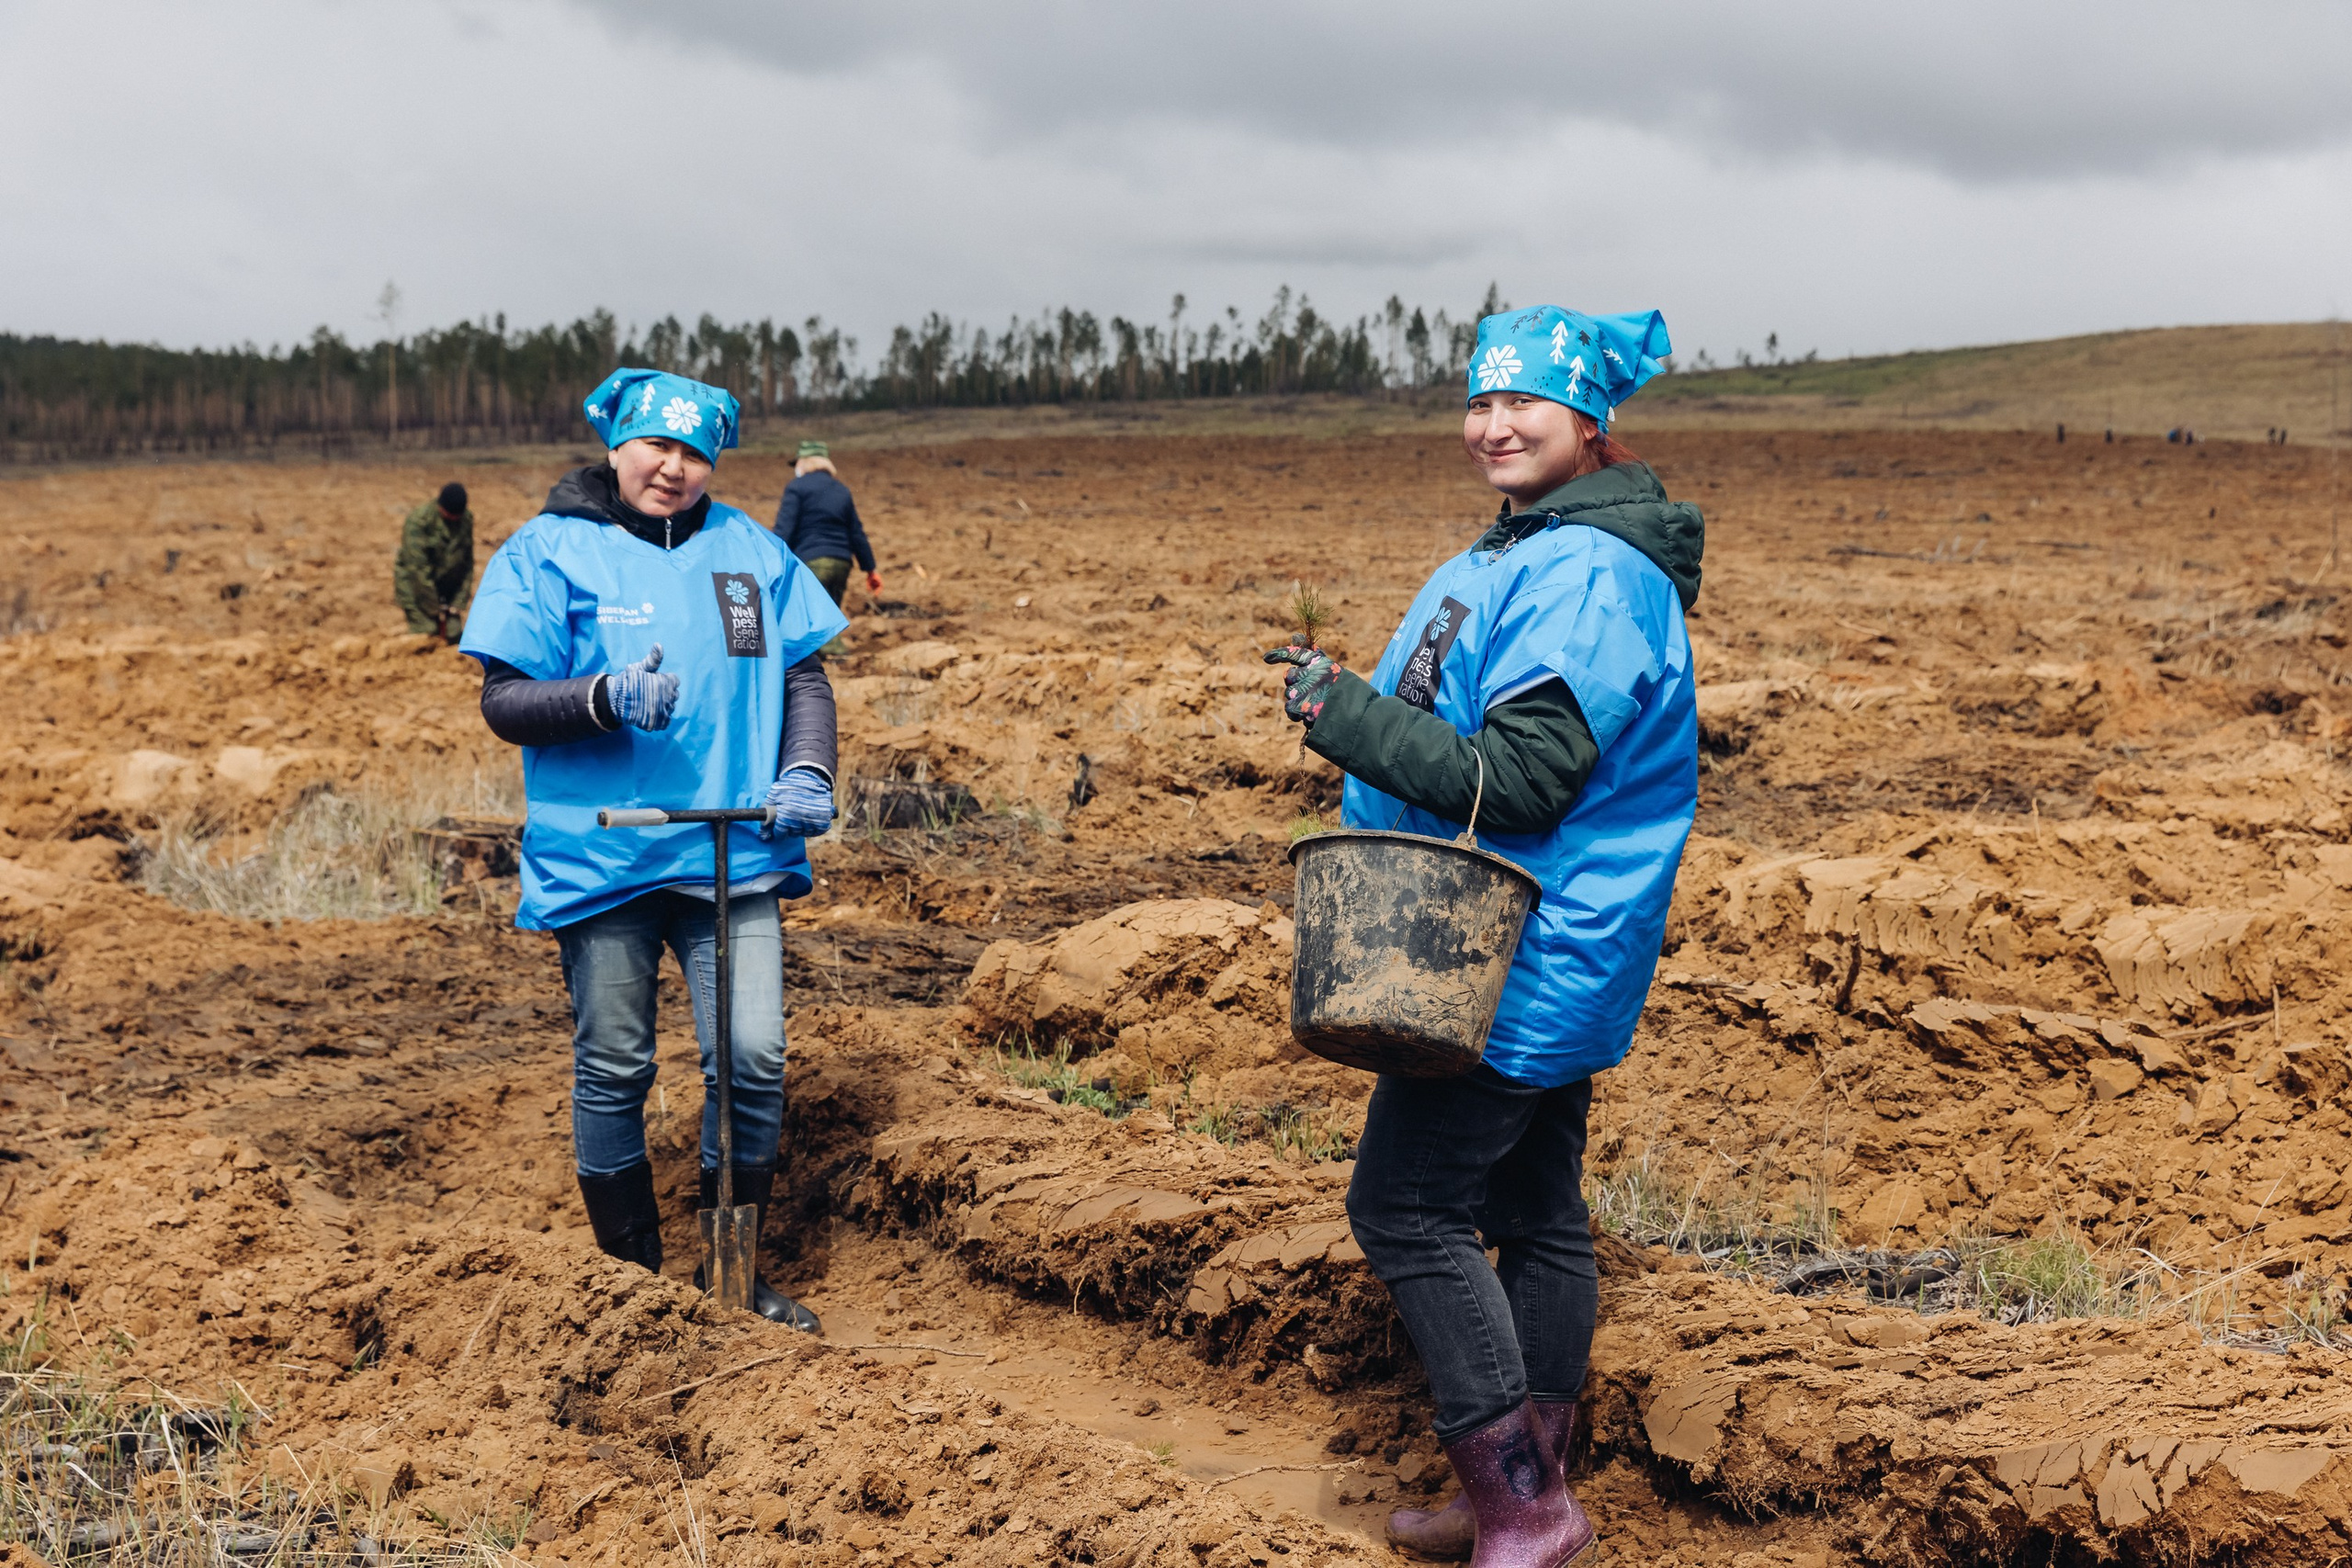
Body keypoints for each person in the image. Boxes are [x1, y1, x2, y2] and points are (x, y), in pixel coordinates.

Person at [1265, 306, 1702, 1566]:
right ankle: (1517, 1488)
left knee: (1403, 1207)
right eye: (1480, 401)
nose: (1495, 425)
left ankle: (1524, 1505)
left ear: (1587, 423)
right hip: (1537, 941)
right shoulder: (1536, 546)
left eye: (1526, 405)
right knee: (1538, 1206)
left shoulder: (1589, 575)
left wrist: (1342, 715)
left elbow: (1519, 780)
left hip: (1509, 951)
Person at [459, 367, 848, 1333]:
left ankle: (731, 1279)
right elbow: (503, 701)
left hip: (734, 851)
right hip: (606, 860)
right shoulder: (549, 552)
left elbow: (803, 677)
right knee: (616, 1065)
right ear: (617, 444)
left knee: (751, 1056)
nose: (673, 470)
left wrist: (806, 769)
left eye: (694, 454)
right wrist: (601, 697)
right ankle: (631, 1285)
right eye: (656, 448)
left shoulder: (746, 553)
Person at [773, 441, 881, 606]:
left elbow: (785, 529)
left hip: (812, 561)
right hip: (841, 563)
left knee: (813, 622)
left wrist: (772, 560)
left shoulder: (796, 487)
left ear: (805, 462)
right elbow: (856, 533)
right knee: (831, 617)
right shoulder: (841, 490)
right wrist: (870, 570)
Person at [394, 481, 476, 642]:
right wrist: (434, 608)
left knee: (454, 635)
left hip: (448, 589)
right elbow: (417, 570)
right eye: (450, 515)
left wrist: (458, 602)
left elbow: (467, 563)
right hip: (416, 589)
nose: (454, 519)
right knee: (427, 635)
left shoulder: (465, 519)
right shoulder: (419, 521)